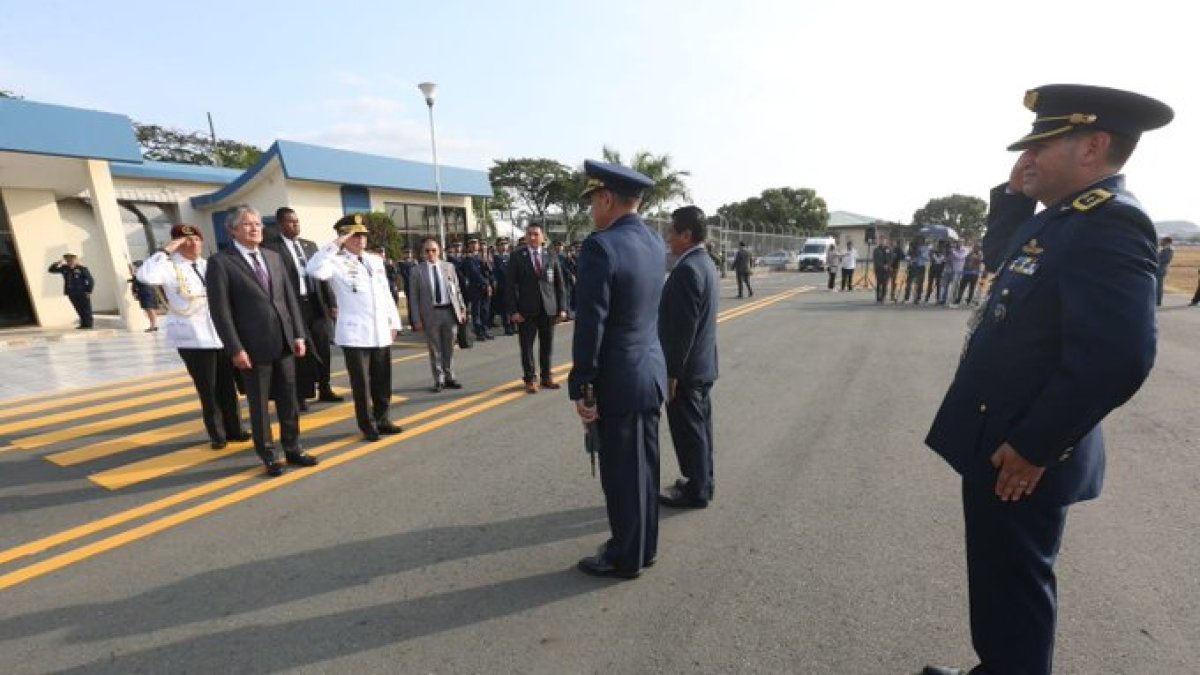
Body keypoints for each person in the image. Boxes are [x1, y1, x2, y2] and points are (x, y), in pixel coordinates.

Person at [921, 84, 1172, 675]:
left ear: (1094, 147)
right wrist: (1014, 196)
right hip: (1002, 437)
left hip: (1023, 452)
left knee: (1016, 585)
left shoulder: (1109, 225)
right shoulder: (1064, 219)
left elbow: (1119, 357)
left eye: (1043, 143)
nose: (1026, 157)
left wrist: (1035, 447)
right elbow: (1005, 256)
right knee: (999, 579)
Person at [570, 159, 666, 580]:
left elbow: (591, 324)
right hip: (649, 370)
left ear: (607, 198)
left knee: (621, 475)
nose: (592, 209)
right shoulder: (653, 242)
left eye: (593, 200)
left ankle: (625, 556)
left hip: (619, 379)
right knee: (644, 467)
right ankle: (643, 547)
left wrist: (582, 385)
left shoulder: (601, 246)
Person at [206, 205, 318, 478]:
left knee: (289, 400)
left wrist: (299, 334)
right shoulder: (221, 262)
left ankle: (293, 447)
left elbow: (288, 298)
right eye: (247, 224)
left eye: (257, 223)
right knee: (259, 405)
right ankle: (268, 454)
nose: (255, 228)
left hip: (284, 341)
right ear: (232, 230)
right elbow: (221, 312)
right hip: (252, 348)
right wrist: (235, 348)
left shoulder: (273, 256)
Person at [137, 224, 251, 450]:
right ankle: (217, 434)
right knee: (208, 389)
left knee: (227, 386)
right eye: (186, 240)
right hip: (193, 338)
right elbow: (144, 276)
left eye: (197, 239)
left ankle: (235, 429)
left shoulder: (211, 265)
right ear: (177, 244)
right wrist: (166, 250)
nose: (193, 243)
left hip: (220, 334)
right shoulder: (168, 268)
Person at [307, 215, 404, 442]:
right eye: (355, 235)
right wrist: (335, 245)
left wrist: (394, 321)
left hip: (380, 330)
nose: (361, 239)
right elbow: (314, 270)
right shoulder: (335, 261)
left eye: (363, 235)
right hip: (355, 334)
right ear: (344, 237)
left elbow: (385, 293)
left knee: (382, 380)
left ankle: (383, 418)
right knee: (361, 385)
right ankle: (367, 424)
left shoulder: (375, 260)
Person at [658, 206, 719, 509]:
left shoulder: (687, 270)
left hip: (686, 370)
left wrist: (671, 374)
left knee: (690, 430)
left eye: (672, 231)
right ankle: (702, 479)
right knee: (701, 427)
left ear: (686, 234)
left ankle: (697, 490)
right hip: (702, 364)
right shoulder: (704, 263)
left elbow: (682, 330)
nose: (668, 237)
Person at [262, 207, 343, 410]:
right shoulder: (272, 247)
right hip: (293, 306)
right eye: (290, 222)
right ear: (280, 224)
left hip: (316, 304)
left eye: (297, 221)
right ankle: (301, 395)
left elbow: (322, 276)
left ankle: (325, 387)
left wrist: (332, 303)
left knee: (323, 347)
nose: (295, 225)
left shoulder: (309, 245)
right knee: (301, 351)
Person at [507, 222, 567, 393]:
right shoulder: (518, 256)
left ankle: (546, 376)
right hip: (526, 311)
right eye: (530, 234)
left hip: (548, 310)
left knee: (547, 346)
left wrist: (562, 308)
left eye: (536, 234)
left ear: (543, 237)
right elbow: (510, 287)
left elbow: (559, 284)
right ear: (526, 237)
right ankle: (530, 379)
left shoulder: (551, 255)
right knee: (526, 347)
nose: (532, 237)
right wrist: (513, 311)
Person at [407, 237, 467, 392]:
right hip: (430, 314)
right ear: (422, 253)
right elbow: (413, 298)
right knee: (435, 349)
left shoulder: (449, 267)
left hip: (449, 312)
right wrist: (416, 319)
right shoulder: (416, 271)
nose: (431, 253)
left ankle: (450, 377)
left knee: (449, 347)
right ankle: (439, 379)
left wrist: (462, 309)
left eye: (434, 250)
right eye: (427, 251)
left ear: (439, 251)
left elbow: (457, 290)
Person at [47, 253, 94, 328]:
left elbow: (90, 280)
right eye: (68, 261)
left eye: (71, 260)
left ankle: (89, 324)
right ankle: (83, 324)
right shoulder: (65, 268)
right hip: (71, 293)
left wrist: (89, 291)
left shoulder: (82, 269)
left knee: (86, 309)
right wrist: (58, 262)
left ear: (75, 260)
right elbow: (51, 270)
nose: (70, 262)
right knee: (78, 308)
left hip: (82, 292)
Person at [461, 238, 493, 341]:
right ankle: (479, 332)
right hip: (476, 288)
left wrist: (486, 262)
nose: (474, 245)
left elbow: (489, 272)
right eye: (472, 243)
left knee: (485, 310)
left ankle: (485, 329)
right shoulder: (468, 259)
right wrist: (486, 283)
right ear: (468, 246)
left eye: (476, 243)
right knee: (477, 311)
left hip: (485, 287)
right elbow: (475, 273)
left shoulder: (482, 257)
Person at [491, 237, 515, 335]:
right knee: (505, 308)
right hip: (502, 286)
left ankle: (513, 325)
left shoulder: (511, 257)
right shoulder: (496, 258)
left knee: (512, 307)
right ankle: (507, 326)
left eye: (505, 244)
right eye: (501, 244)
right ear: (497, 247)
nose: (503, 246)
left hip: (512, 286)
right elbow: (496, 272)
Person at [130, 262, 160, 332]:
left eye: (134, 267)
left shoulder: (143, 274)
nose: (133, 269)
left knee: (150, 308)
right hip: (144, 292)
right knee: (148, 309)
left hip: (147, 292)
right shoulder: (139, 274)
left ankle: (153, 325)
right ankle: (153, 325)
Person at [872, 238, 893, 303]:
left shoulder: (889, 249)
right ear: (879, 242)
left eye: (884, 241)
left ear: (886, 241)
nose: (882, 242)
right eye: (881, 241)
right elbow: (876, 260)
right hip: (879, 269)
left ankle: (883, 297)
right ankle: (878, 297)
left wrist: (888, 265)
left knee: (885, 283)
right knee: (879, 283)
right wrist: (882, 266)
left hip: (887, 269)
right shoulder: (876, 250)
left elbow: (891, 258)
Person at [1156, 237, 1174, 306]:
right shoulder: (1163, 249)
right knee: (1157, 285)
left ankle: (1158, 301)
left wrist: (1156, 261)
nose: (1161, 242)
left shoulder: (1170, 250)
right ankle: (1156, 300)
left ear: (1167, 242)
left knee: (1159, 286)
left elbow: (1166, 260)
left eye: (1163, 241)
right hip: (1159, 269)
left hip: (1161, 269)